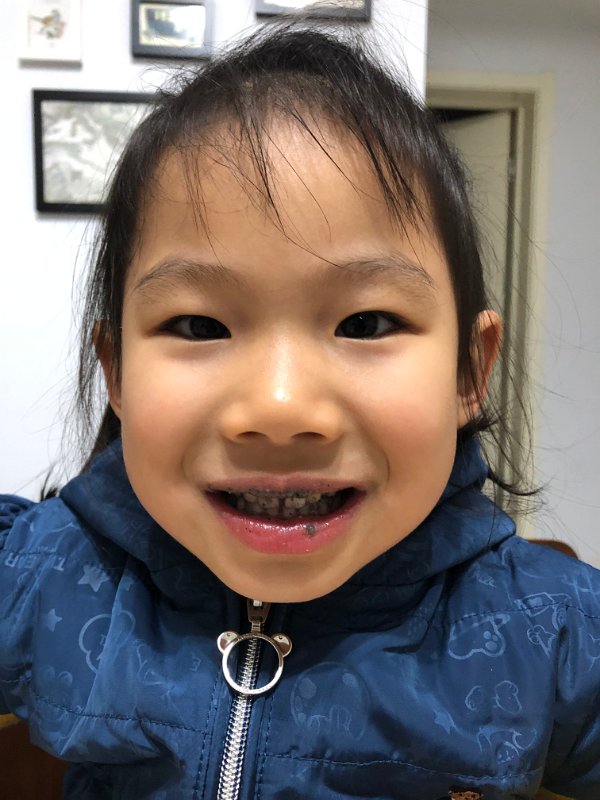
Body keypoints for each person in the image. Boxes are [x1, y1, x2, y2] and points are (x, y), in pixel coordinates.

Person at [1, 24, 599, 800]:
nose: (280, 407)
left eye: (366, 323)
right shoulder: (43, 576)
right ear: (116, 371)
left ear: (468, 371)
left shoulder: (549, 629)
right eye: (199, 326)